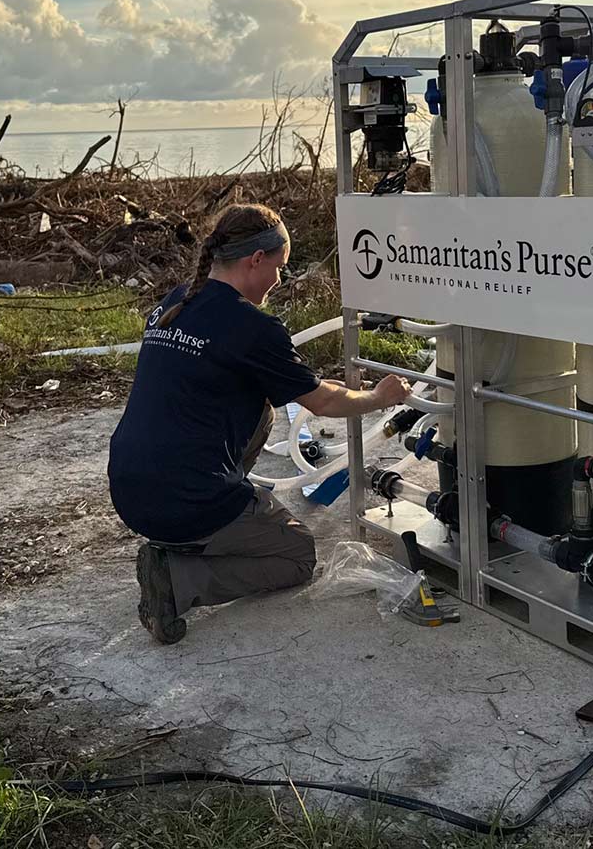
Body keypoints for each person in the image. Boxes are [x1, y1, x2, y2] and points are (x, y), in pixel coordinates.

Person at [108, 203, 411, 644]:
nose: (279, 281)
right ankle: (180, 579)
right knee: (296, 556)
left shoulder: (176, 302)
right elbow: (323, 403)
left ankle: (203, 532)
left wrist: (321, 384)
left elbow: (285, 381)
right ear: (256, 260)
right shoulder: (251, 326)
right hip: (185, 498)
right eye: (279, 268)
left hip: (130, 488)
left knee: (264, 406)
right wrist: (380, 398)